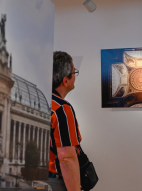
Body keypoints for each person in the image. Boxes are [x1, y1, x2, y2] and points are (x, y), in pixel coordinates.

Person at [48, 51, 83, 191]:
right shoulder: (62, 108)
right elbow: (66, 158)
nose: (75, 77)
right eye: (74, 72)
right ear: (65, 79)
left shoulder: (42, 102)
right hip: (55, 182)